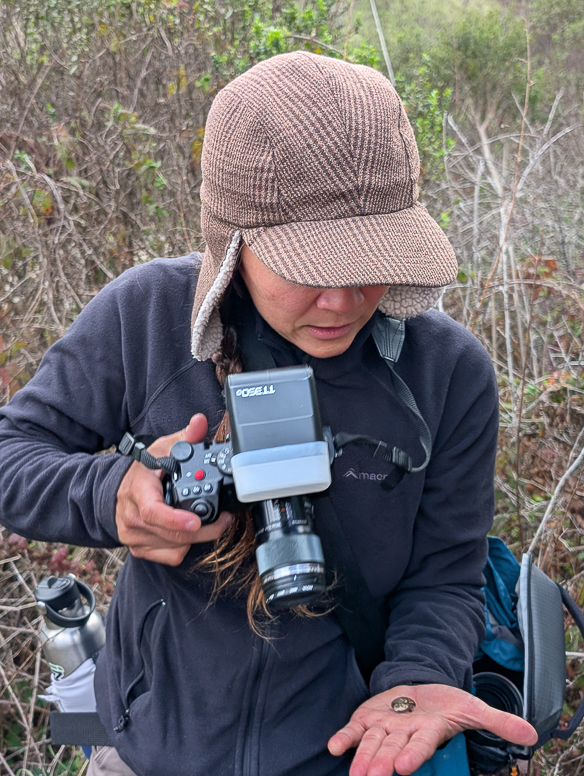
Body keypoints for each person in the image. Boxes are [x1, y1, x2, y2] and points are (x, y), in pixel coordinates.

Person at [0, 52, 536, 776]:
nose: (343, 300)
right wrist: (112, 498)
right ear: (233, 240)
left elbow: (445, 575)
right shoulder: (147, 316)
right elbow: (13, 454)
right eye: (308, 266)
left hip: (342, 755)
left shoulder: (447, 373)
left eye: (372, 257)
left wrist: (416, 683)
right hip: (147, 751)